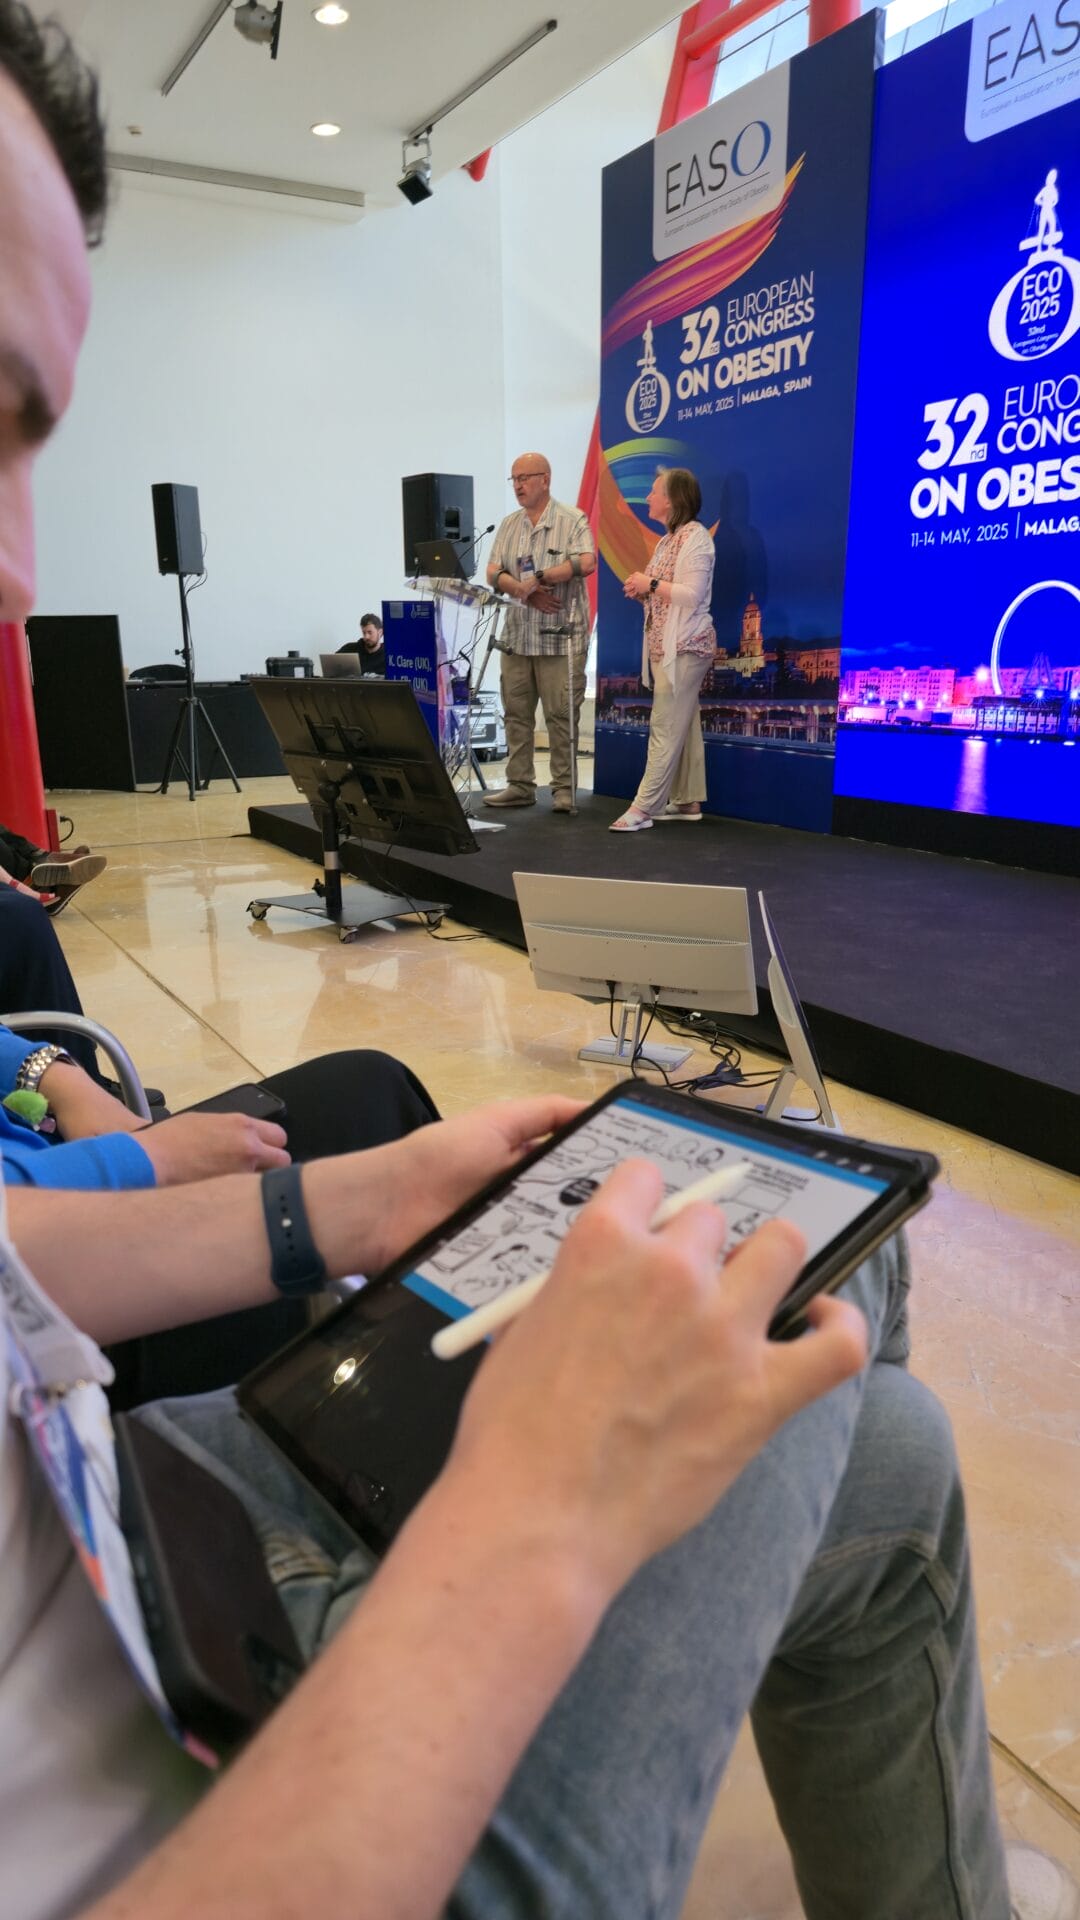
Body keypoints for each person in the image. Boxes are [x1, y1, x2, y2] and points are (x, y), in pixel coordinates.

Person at [0, 11, 1050, 1917]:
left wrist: (347, 1205)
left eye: (29, 438)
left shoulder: (630, 537)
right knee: (831, 1331)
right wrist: (543, 1518)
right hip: (225, 1783)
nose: (15, 567)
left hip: (134, 1513)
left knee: (858, 1401)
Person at [484, 452, 595, 813]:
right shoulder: (509, 524)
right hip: (517, 636)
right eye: (513, 479)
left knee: (561, 716)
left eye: (525, 478)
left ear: (545, 479)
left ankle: (564, 789)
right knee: (515, 714)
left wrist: (540, 579)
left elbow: (588, 562)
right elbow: (492, 571)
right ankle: (520, 785)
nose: (518, 485)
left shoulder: (572, 519)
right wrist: (519, 590)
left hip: (560, 636)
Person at [612, 467, 716, 832]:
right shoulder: (666, 540)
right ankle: (687, 800)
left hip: (687, 646)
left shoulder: (696, 538)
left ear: (673, 500)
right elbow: (664, 595)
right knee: (683, 724)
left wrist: (650, 583)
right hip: (666, 649)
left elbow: (692, 594)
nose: (648, 498)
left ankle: (644, 807)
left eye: (655, 492)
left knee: (665, 724)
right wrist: (644, 591)